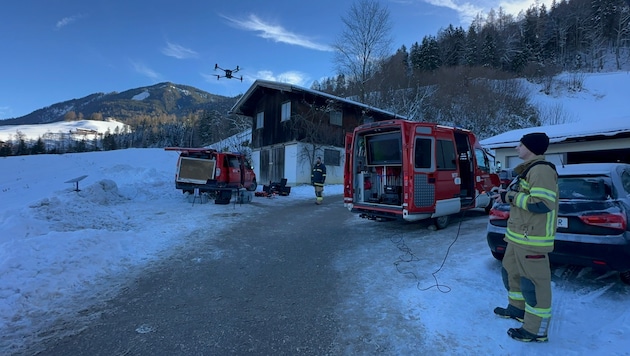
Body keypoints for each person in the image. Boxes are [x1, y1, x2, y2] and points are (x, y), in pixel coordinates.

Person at [493, 132, 559, 343]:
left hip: (533, 240)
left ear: (531, 147)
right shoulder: (528, 170)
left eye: (520, 145)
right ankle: (517, 309)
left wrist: (510, 196)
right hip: (517, 237)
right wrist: (505, 193)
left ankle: (535, 330)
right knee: (510, 271)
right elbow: (526, 197)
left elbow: (542, 204)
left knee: (534, 284)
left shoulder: (541, 170)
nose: (516, 149)